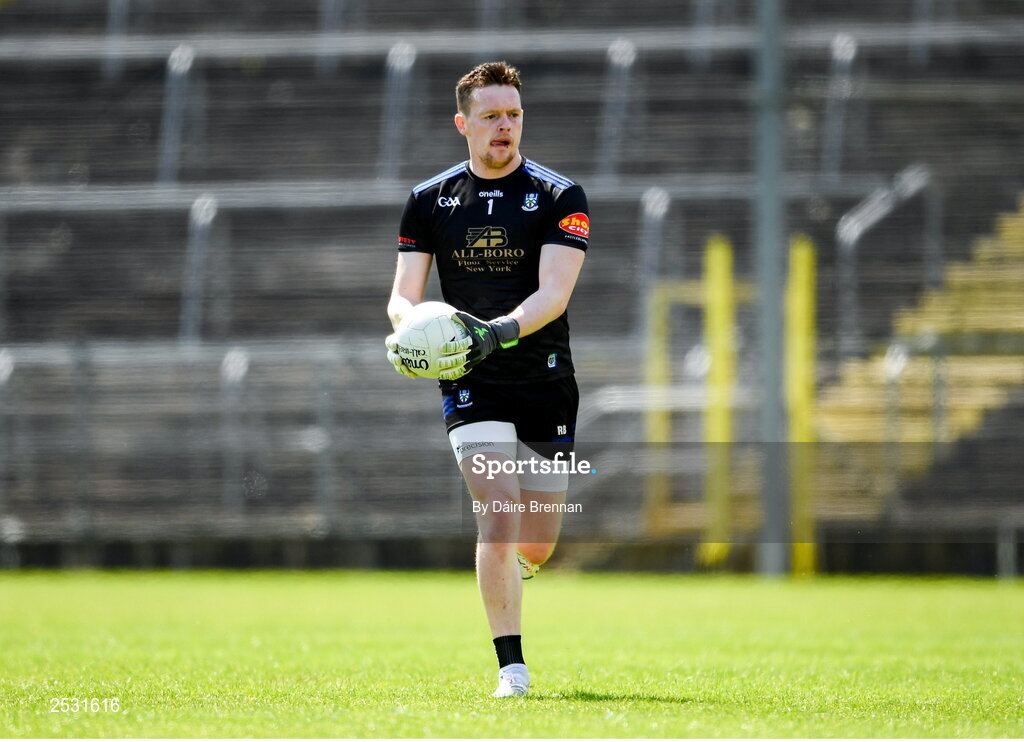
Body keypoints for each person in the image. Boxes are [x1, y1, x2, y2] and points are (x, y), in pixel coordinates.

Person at [385, 61, 589, 698]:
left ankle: (521, 565)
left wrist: (493, 331)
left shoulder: (560, 196)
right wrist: (411, 333)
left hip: (543, 373)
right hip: (471, 380)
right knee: (497, 515)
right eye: (492, 116)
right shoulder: (428, 200)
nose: (505, 126)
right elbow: (402, 297)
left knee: (538, 543)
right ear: (463, 124)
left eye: (514, 115)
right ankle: (512, 668)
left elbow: (553, 295)